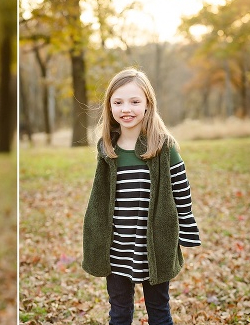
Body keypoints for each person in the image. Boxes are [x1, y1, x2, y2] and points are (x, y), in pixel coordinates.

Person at [82, 68, 201, 325]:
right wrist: (95, 235)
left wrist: (187, 230)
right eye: (118, 102)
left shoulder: (163, 146)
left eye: (135, 101)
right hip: (117, 248)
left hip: (154, 245)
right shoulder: (107, 148)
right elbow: (100, 197)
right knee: (119, 310)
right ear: (109, 106)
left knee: (159, 309)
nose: (127, 108)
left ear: (148, 104)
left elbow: (181, 190)